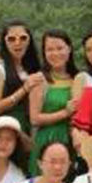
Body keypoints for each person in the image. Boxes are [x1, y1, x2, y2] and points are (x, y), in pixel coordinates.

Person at [28, 29, 78, 175]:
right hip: (47, 140)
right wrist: (65, 113)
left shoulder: (78, 78)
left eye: (60, 48)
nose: (55, 53)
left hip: (72, 141)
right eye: (49, 49)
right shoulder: (39, 79)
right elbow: (34, 118)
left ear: (69, 49)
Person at [0, 21, 44, 135]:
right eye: (11, 39)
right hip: (5, 129)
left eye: (23, 38)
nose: (17, 43)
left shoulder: (32, 68)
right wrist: (24, 89)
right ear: (4, 42)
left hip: (29, 129)